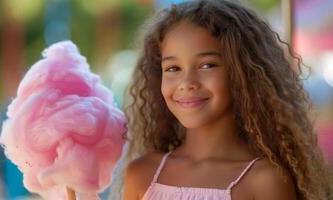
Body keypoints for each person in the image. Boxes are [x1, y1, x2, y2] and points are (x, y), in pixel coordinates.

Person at [120, 0, 332, 199]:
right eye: (173, 68)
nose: (187, 82)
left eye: (207, 65)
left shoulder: (265, 180)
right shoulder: (142, 174)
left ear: (242, 73)